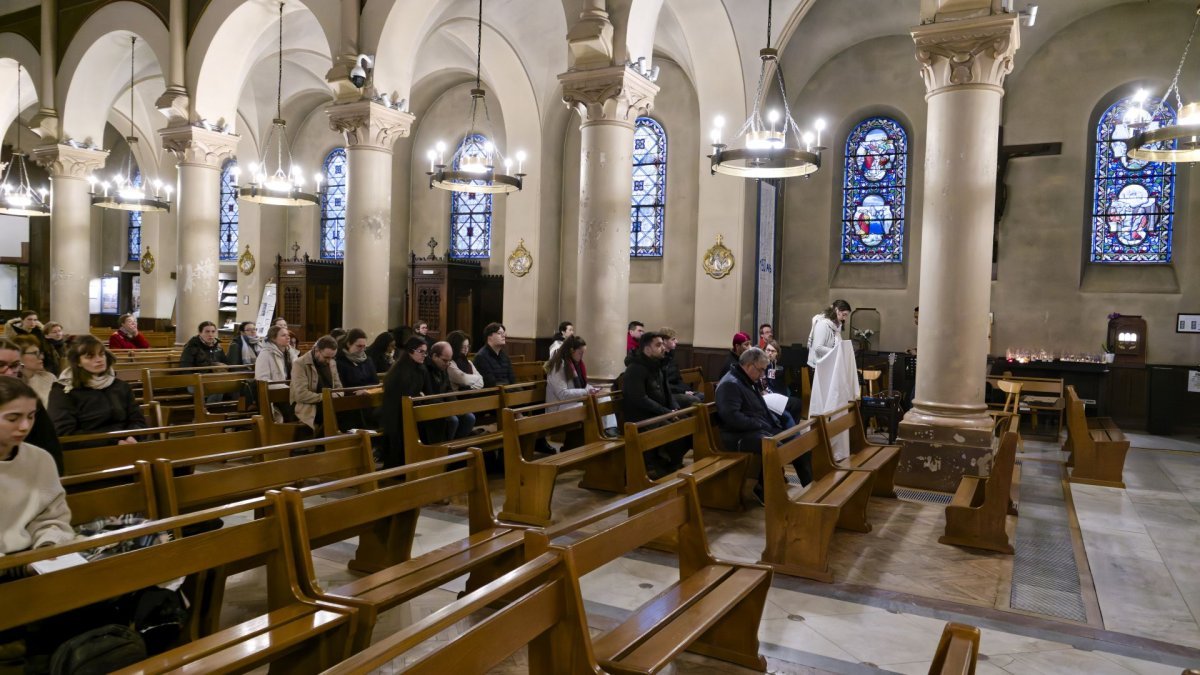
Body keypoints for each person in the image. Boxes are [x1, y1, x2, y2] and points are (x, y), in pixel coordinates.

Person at [716, 348, 809, 504]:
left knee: (799, 445)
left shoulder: (746, 380)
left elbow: (760, 407)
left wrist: (772, 423)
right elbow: (732, 417)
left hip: (756, 429)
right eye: (760, 370)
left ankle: (810, 490)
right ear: (749, 366)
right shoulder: (730, 384)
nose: (762, 375)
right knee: (774, 447)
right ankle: (769, 493)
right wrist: (759, 424)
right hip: (737, 436)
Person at [0, 377, 74, 556]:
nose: (25, 426)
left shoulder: (40, 459)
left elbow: (51, 518)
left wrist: (47, 545)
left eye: (31, 416)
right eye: (13, 418)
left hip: (33, 557)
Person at [48, 336, 146, 443]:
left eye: (101, 354)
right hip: (89, 451)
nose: (99, 360)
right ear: (78, 362)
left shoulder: (120, 386)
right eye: (90, 357)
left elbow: (137, 420)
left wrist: (134, 436)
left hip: (129, 446)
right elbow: (64, 433)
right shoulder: (63, 392)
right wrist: (113, 443)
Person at [621, 332, 685, 477]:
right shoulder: (635, 369)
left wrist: (674, 409)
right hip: (641, 418)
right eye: (658, 345)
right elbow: (640, 399)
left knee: (686, 421)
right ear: (647, 349)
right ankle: (655, 465)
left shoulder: (657, 366)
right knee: (674, 429)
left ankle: (670, 463)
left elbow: (667, 391)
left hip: (657, 414)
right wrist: (666, 412)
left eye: (663, 344)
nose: (663, 348)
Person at [0, 339, 61, 474]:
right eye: (1, 365)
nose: (9, 373)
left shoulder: (28, 399)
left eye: (15, 365)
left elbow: (49, 444)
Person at [380, 336, 432, 467]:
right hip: (396, 413)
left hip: (412, 408)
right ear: (410, 351)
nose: (424, 355)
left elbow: (427, 391)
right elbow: (402, 394)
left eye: (425, 352)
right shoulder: (400, 370)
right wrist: (418, 395)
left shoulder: (421, 368)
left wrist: (420, 396)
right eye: (421, 351)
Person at [290, 336, 342, 432]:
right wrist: (326, 397)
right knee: (332, 416)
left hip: (329, 403)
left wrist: (336, 395)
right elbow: (301, 395)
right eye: (326, 357)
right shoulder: (300, 364)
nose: (329, 361)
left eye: (332, 357)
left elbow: (339, 388)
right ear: (317, 350)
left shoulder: (332, 362)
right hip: (309, 407)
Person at [426, 341, 475, 441]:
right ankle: (446, 450)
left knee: (469, 417)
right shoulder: (425, 369)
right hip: (432, 409)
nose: (448, 364)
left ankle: (458, 447)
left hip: (445, 407)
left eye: (449, 361)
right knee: (453, 420)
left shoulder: (443, 368)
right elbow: (428, 396)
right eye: (445, 360)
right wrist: (447, 408)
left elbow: (448, 389)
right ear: (435, 356)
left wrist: (455, 406)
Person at [255, 325, 298, 422]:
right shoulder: (265, 354)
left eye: (288, 335)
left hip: (291, 391)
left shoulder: (291, 353)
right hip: (275, 395)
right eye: (283, 335)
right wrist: (284, 387)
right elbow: (262, 380)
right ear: (273, 339)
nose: (288, 337)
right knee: (294, 409)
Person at [659, 327, 701, 406]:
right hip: (668, 393)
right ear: (664, 341)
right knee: (696, 399)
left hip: (677, 390)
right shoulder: (660, 359)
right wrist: (683, 392)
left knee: (703, 396)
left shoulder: (671, 357)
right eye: (673, 339)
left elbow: (678, 378)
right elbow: (663, 384)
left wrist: (687, 390)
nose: (676, 341)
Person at [807, 300, 851, 369]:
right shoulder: (823, 324)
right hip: (819, 366)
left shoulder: (835, 326)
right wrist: (838, 352)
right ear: (836, 310)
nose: (845, 318)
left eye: (846, 315)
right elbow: (818, 348)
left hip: (828, 365)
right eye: (844, 314)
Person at [13, 335, 54, 406]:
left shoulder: (49, 377)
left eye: (40, 353)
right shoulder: (10, 384)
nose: (42, 357)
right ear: (18, 357)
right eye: (35, 353)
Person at [473, 322, 515, 387]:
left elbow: (512, 379)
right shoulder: (481, 357)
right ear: (489, 337)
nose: (503, 335)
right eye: (499, 333)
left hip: (507, 390)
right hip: (492, 393)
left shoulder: (505, 356)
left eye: (504, 333)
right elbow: (489, 383)